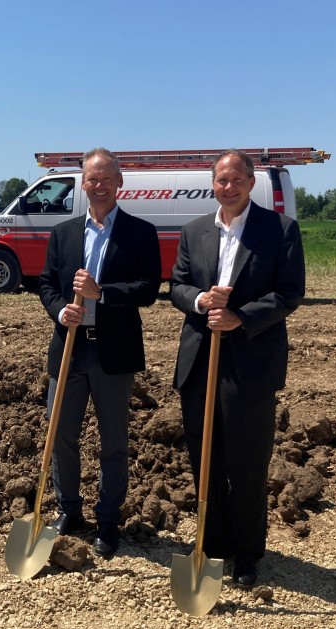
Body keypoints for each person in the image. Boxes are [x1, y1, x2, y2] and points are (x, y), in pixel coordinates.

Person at [170, 149, 306, 586]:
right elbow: (177, 284)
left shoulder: (279, 229)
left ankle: (247, 553)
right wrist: (198, 300)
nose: (227, 188)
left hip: (249, 362)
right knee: (204, 458)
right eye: (220, 181)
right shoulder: (194, 231)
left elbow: (289, 293)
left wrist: (241, 318)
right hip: (199, 360)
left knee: (247, 462)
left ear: (250, 183)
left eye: (236, 180)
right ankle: (211, 548)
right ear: (213, 184)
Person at [38, 147, 161, 558]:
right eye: (93, 178)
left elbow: (148, 290)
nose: (100, 185)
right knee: (62, 435)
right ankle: (68, 510)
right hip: (68, 351)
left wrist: (101, 293)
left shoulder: (140, 232)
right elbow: (46, 285)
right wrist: (61, 310)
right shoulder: (64, 233)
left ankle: (108, 519)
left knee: (113, 441)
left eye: (107, 178)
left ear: (119, 182)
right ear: (83, 183)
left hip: (113, 353)